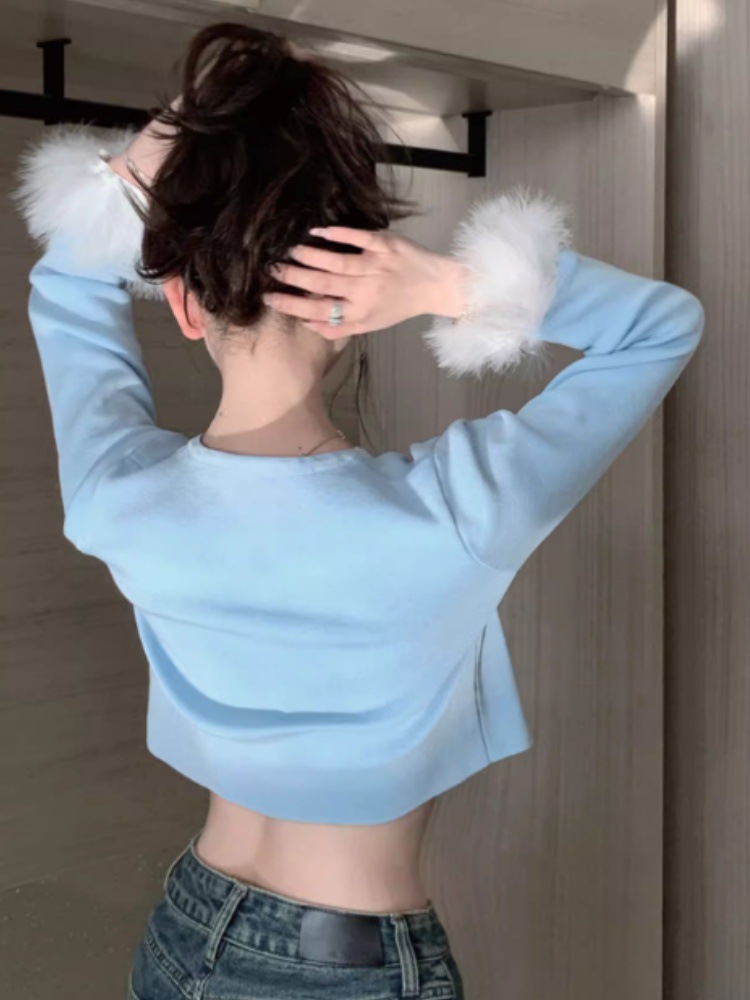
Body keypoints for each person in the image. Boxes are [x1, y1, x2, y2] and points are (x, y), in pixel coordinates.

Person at [11, 20, 704, 1000]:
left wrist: (161, 147)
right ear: (351, 309)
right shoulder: (456, 511)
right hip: (341, 965)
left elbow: (67, 282)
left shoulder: (116, 496)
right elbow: (661, 327)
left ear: (184, 305)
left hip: (184, 929)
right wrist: (445, 284)